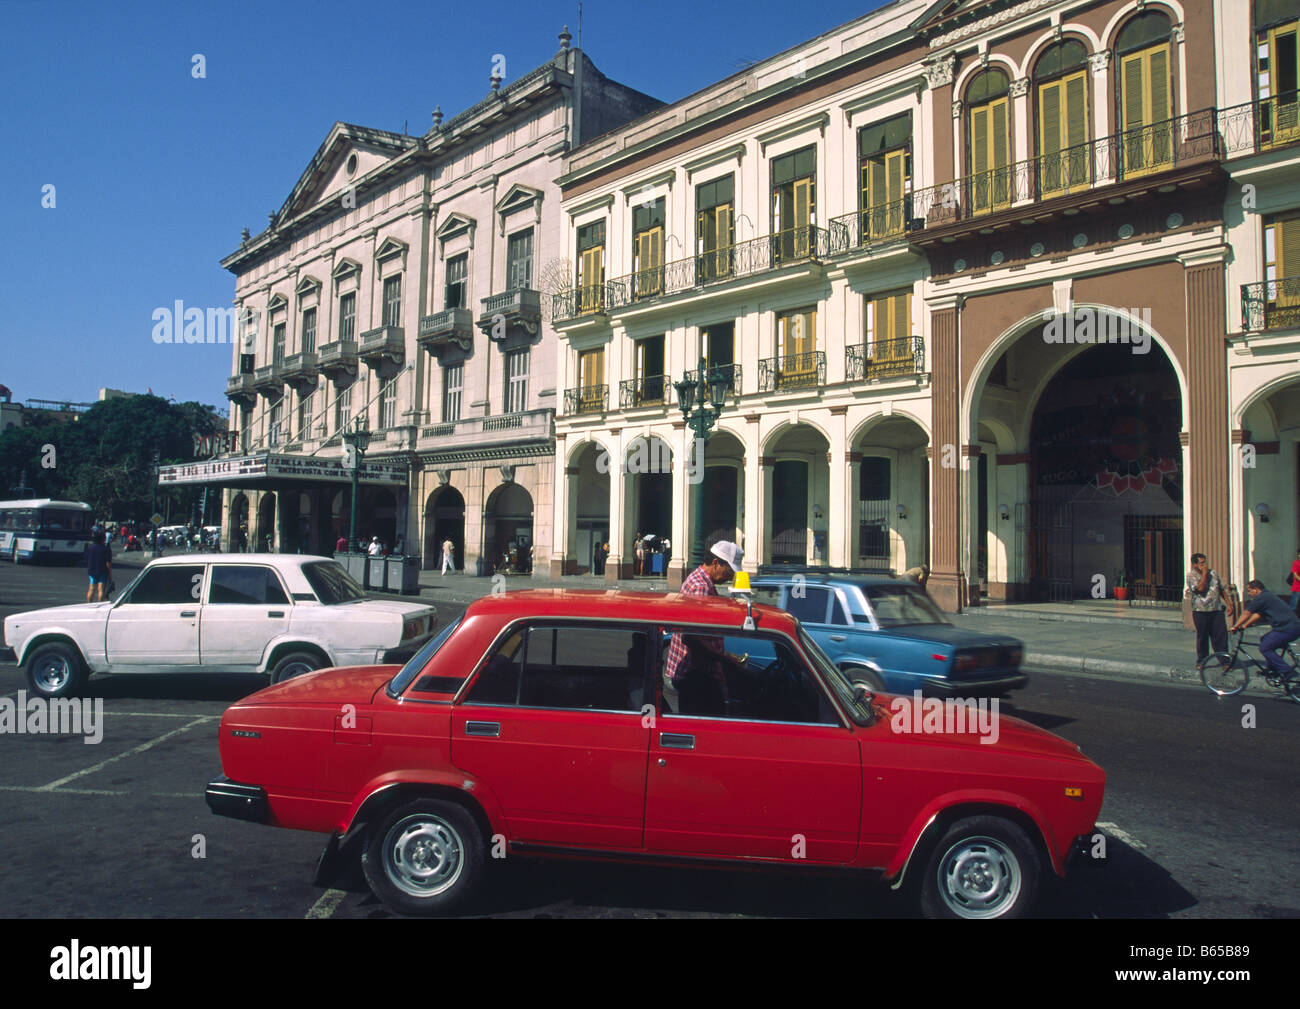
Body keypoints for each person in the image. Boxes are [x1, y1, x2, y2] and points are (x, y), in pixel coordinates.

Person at [664, 541, 744, 712]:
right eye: (728, 570)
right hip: (696, 676)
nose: (730, 576)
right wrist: (725, 658)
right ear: (716, 563)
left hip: (695, 673)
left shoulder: (701, 580)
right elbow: (693, 639)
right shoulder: (701, 587)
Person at [1230, 579, 1300, 681]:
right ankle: (1271, 670)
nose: (1248, 594)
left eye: (1249, 591)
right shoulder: (1267, 596)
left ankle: (1287, 671)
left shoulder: (1261, 598)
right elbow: (1258, 614)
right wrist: (1244, 626)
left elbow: (1247, 613)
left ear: (1256, 589)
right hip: (1290, 627)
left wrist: (1235, 626)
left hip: (1287, 629)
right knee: (1265, 639)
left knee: (1265, 648)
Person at [1186, 553, 1233, 665]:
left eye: (1205, 562)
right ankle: (1202, 660)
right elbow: (1200, 589)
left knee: (1221, 636)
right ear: (1194, 564)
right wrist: (1204, 574)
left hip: (1216, 609)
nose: (1204, 565)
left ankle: (1224, 661)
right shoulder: (1191, 576)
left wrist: (1229, 604)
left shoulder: (1214, 573)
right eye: (1201, 563)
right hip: (1200, 611)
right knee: (1203, 636)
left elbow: (1221, 589)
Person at [85, 528, 113, 603]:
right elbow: (108, 563)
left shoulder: (90, 548)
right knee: (101, 589)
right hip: (103, 571)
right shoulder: (106, 549)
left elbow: (86, 559)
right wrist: (110, 573)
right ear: (103, 539)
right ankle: (100, 603)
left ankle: (89, 604)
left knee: (91, 588)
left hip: (92, 570)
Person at [1289, 548, 1300, 615]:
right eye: (1298, 554)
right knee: (1293, 605)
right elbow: (1295, 575)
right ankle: (1289, 618)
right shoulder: (1296, 563)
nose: (1299, 555)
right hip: (1297, 587)